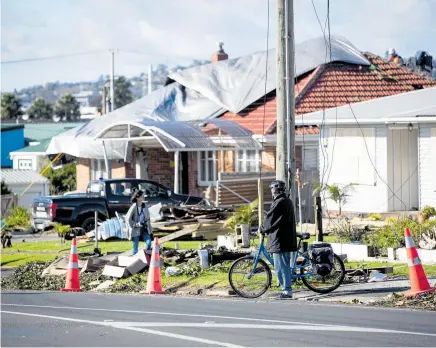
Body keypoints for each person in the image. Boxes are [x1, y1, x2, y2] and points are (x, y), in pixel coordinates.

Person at [259, 180, 297, 299]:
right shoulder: (286, 201)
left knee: (281, 266)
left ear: (274, 190)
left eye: (272, 189)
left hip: (281, 239)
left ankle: (286, 291)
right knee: (281, 265)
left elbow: (271, 218)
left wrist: (262, 228)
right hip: (284, 238)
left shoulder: (280, 202)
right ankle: (284, 288)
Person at [125, 189, 153, 255]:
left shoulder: (145, 206)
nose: (144, 197)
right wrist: (136, 224)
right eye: (142, 196)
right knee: (135, 250)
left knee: (149, 243)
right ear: (137, 197)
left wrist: (149, 228)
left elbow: (148, 218)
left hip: (144, 229)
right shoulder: (134, 206)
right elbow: (127, 218)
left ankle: (146, 258)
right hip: (135, 230)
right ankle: (135, 263)